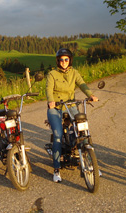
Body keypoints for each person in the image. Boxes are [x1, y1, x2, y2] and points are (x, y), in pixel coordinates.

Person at [45, 48, 98, 183]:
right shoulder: (52, 74)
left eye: (66, 59)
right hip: (56, 106)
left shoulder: (74, 72)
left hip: (70, 105)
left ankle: (92, 164)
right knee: (58, 135)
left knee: (82, 129)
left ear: (70, 60)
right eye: (61, 60)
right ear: (58, 61)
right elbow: (48, 89)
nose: (64, 62)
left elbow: (82, 84)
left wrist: (90, 95)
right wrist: (51, 101)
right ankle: (56, 169)